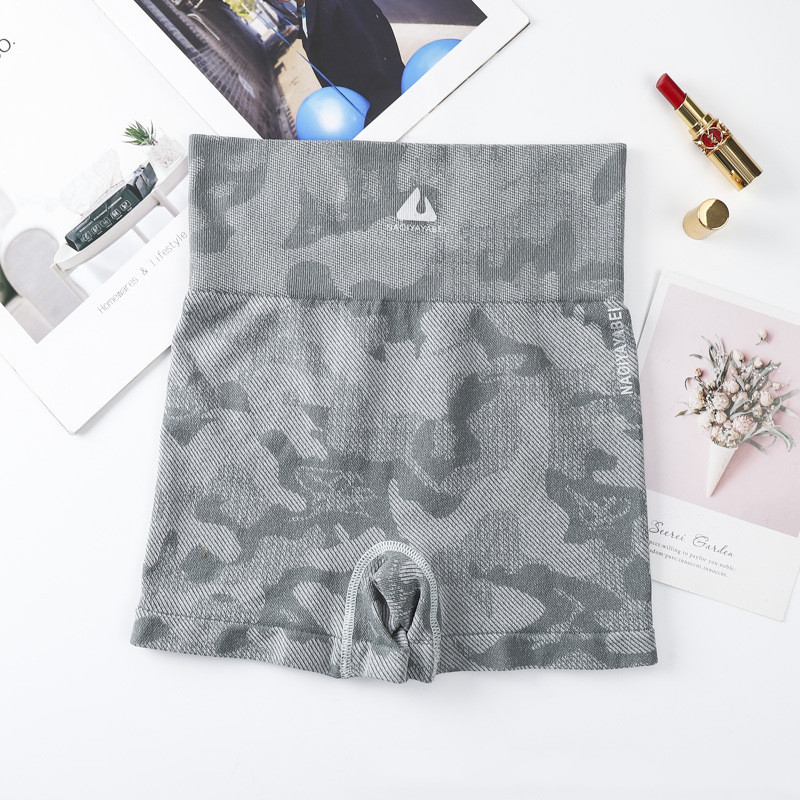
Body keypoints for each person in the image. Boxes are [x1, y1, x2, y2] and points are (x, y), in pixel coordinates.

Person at [295, 0, 404, 124]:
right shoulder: (304, 11)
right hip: (359, 115)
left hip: (387, 111)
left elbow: (378, 54)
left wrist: (378, 118)